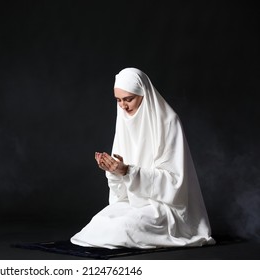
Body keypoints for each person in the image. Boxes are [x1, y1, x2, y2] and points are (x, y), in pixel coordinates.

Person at [70, 67, 215, 249]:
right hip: (134, 202)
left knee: (122, 228)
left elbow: (175, 184)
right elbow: (120, 194)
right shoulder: (123, 121)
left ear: (144, 94)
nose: (123, 106)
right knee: (98, 224)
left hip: (166, 207)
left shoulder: (169, 123)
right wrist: (114, 172)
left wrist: (128, 171)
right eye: (118, 100)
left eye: (128, 99)